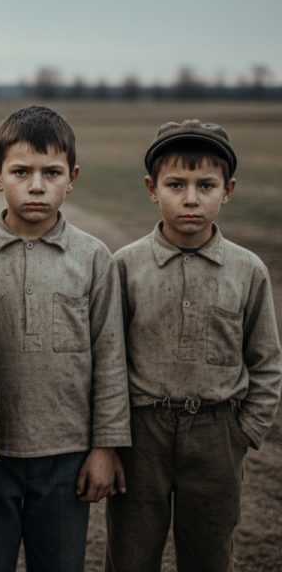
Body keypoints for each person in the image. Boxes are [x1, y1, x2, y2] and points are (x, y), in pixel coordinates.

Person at [105, 119, 282, 572]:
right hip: (143, 433)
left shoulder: (248, 270)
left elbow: (266, 362)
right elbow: (108, 359)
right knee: (130, 554)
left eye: (205, 185)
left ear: (228, 189)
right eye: (175, 184)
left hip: (217, 433)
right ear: (151, 188)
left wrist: (244, 433)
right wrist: (112, 438)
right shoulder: (125, 266)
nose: (190, 198)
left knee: (208, 554)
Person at [0, 105, 130, 572]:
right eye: (22, 171)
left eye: (51, 172)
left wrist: (104, 447)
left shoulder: (94, 258)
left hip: (67, 455)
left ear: (71, 177)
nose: (36, 184)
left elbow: (110, 356)